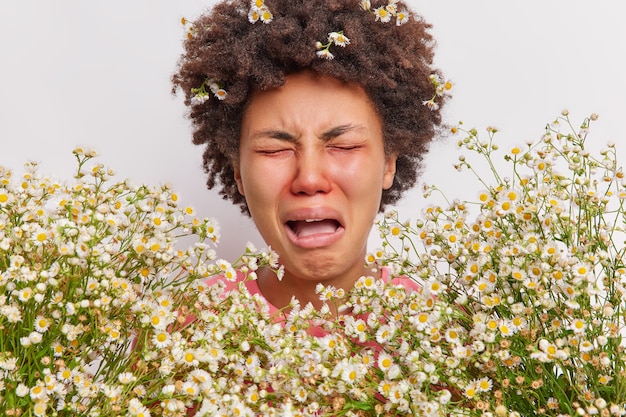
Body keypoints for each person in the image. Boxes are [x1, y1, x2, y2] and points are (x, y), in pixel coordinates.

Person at [171, 0, 448, 315]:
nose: (309, 179)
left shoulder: (451, 333)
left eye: (343, 145)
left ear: (388, 163)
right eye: (275, 149)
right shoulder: (184, 324)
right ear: (238, 171)